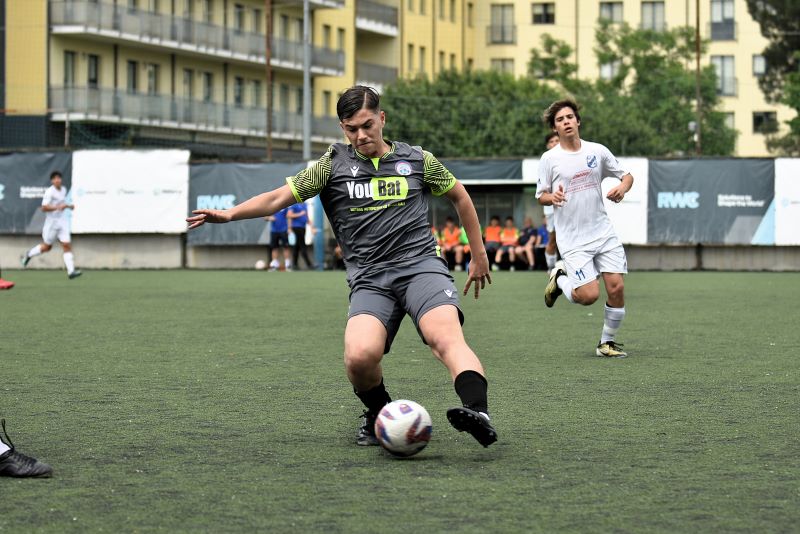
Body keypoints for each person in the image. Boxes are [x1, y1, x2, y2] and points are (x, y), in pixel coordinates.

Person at [187, 85, 497, 448]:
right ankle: (380, 412)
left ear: (382, 119)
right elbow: (277, 198)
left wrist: (479, 255)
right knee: (359, 357)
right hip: (370, 278)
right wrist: (230, 214)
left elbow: (460, 196)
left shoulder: (417, 160)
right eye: (352, 129)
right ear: (342, 128)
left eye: (367, 125)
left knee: (444, 337)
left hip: (421, 266)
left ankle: (478, 413)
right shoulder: (330, 166)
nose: (361, 135)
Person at [537, 99, 633, 358]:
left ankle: (606, 343)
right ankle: (560, 279)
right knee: (588, 295)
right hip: (573, 239)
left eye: (569, 117)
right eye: (560, 120)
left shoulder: (597, 151)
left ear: (578, 121)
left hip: (603, 232)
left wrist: (622, 188)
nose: (566, 122)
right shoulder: (549, 159)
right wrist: (552, 197)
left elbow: (627, 176)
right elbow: (541, 196)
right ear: (555, 128)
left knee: (617, 287)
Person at [20, 171, 82, 279]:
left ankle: (71, 271)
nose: (57, 180)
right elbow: (44, 208)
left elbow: (62, 204)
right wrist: (58, 207)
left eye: (59, 178)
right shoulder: (49, 192)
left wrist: (68, 206)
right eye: (55, 178)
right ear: (52, 181)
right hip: (52, 223)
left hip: (62, 222)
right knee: (47, 247)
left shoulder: (63, 189)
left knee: (66, 245)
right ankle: (28, 254)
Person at [542, 132, 560, 269]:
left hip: (569, 205)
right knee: (553, 239)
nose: (554, 143)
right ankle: (551, 268)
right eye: (551, 142)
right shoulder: (545, 161)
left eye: (557, 140)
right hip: (551, 207)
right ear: (548, 145)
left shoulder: (571, 157)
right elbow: (542, 190)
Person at [288, 202, 315, 270]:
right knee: (302, 246)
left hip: (303, 227)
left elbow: (307, 217)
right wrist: (289, 228)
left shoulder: (305, 205)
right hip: (296, 227)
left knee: (297, 247)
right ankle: (309, 264)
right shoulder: (294, 204)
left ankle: (294, 265)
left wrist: (312, 228)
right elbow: (289, 215)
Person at [265, 207, 291, 271]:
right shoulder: (272, 207)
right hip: (274, 230)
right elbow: (265, 217)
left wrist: (289, 228)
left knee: (286, 247)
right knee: (274, 247)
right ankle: (274, 265)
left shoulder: (285, 206)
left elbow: (289, 217)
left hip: (284, 230)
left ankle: (287, 265)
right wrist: (269, 218)